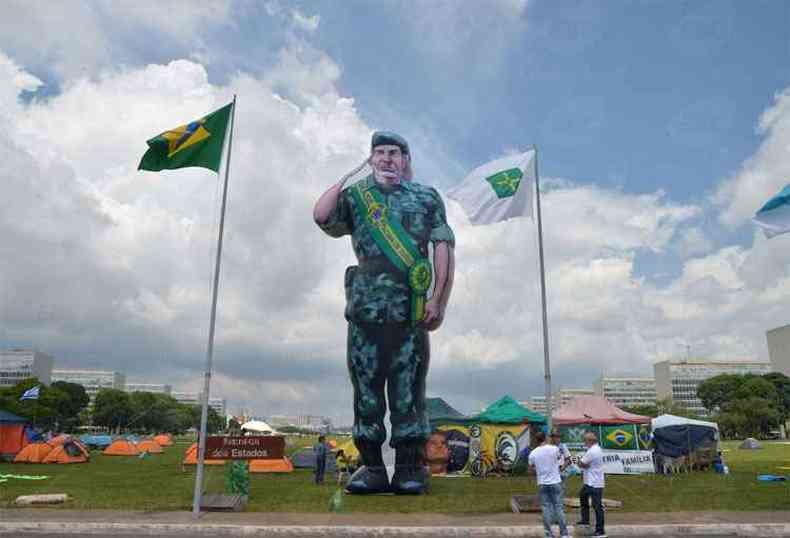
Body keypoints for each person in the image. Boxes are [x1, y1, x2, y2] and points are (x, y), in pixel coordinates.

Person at [313, 131, 456, 495]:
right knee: (366, 392)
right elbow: (322, 215)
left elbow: (443, 246)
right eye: (380, 152)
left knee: (409, 392)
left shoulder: (425, 197)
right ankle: (372, 467)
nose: (387, 158)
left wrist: (438, 299)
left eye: (394, 152)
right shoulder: (357, 197)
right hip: (365, 311)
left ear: (405, 159)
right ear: (371, 158)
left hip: (410, 312)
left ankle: (409, 469)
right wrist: (348, 174)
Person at [528, 431, 570, 538]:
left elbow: (531, 470)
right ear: (546, 438)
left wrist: (538, 470)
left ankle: (548, 534)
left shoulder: (533, 453)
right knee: (559, 507)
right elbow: (560, 460)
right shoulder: (554, 449)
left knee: (546, 508)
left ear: (536, 440)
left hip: (542, 482)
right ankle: (564, 534)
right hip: (555, 481)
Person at [577, 432, 606, 537]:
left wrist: (578, 461)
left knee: (597, 506)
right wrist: (583, 464)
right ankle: (585, 520)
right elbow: (586, 465)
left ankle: (600, 530)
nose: (584, 443)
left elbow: (582, 464)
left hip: (594, 482)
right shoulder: (597, 449)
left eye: (585, 440)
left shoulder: (592, 451)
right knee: (582, 496)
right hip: (591, 481)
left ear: (590, 441)